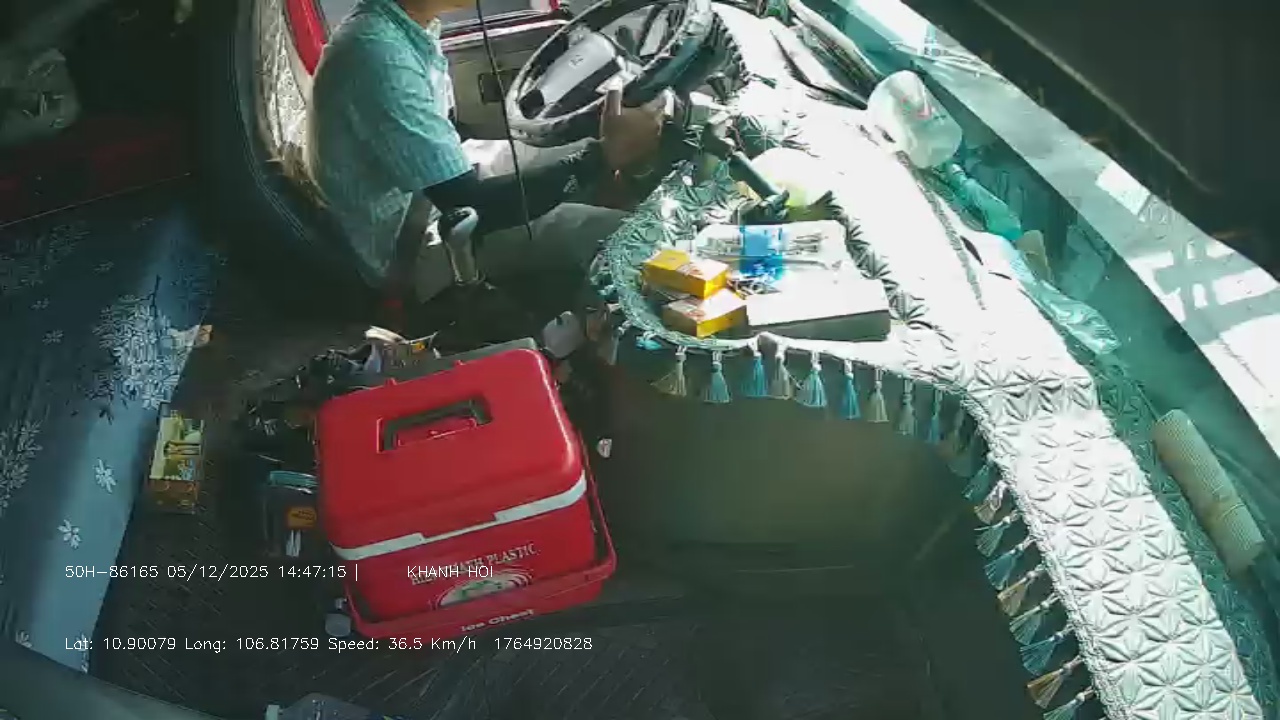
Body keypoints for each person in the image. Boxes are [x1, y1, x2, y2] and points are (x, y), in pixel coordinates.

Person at [304, 0, 665, 310]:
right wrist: (599, 160)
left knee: (572, 144)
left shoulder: (405, 28)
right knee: (620, 235)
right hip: (411, 245)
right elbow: (469, 203)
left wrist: (595, 155)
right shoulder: (378, 54)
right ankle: (594, 350)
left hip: (433, 193)